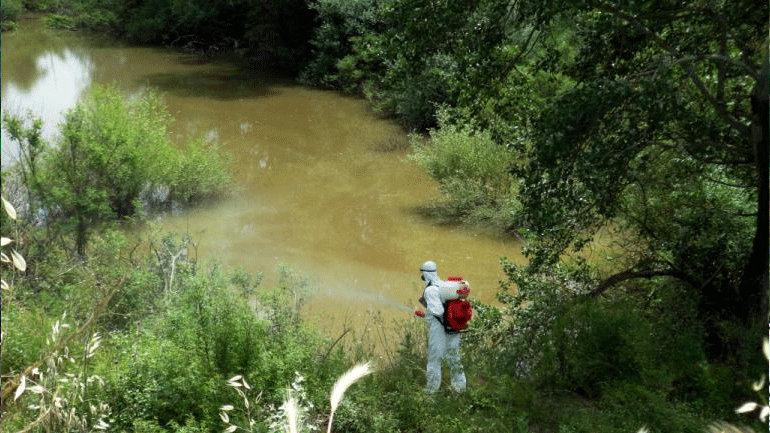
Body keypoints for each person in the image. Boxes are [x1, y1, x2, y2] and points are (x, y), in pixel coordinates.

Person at [414, 260, 467, 393]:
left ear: (425, 274)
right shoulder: (444, 286)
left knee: (434, 358)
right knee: (454, 357)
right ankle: (460, 389)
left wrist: (426, 313)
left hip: (439, 328)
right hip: (453, 327)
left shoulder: (430, 290)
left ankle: (431, 390)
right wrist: (425, 314)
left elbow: (438, 311)